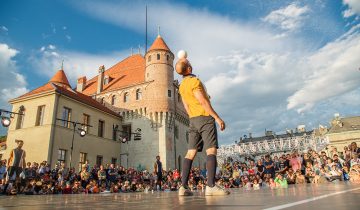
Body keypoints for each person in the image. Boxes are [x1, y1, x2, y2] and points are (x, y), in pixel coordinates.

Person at [175, 56, 229, 196]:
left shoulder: (181, 86)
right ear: (189, 68)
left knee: (190, 153)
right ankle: (210, 186)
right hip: (204, 117)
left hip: (192, 120)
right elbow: (203, 101)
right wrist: (217, 117)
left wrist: (192, 117)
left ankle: (183, 187)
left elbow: (186, 106)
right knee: (211, 151)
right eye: (189, 63)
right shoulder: (194, 81)